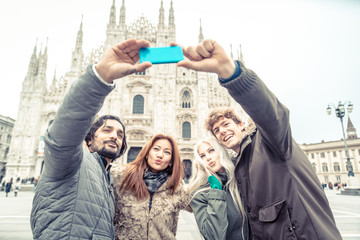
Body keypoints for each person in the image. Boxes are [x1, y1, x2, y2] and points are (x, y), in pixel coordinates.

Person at [174, 39, 342, 239]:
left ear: (242, 124)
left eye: (226, 124)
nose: (222, 131)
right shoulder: (239, 167)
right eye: (217, 130)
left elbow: (271, 114)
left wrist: (232, 75)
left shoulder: (270, 142)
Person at [30, 38, 152, 239]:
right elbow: (64, 133)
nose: (114, 136)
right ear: (88, 139)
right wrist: (100, 78)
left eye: (120, 134)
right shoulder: (72, 162)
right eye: (106, 130)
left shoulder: (107, 180)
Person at [111, 134, 191, 240]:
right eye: (156, 149)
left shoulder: (176, 187)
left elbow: (199, 205)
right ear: (147, 153)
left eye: (167, 152)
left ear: (171, 161)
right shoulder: (121, 177)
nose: (160, 155)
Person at [187, 136, 248, 240]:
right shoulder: (199, 194)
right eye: (202, 156)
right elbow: (213, 236)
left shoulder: (240, 180)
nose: (208, 157)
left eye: (211, 150)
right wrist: (216, 191)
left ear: (221, 151)